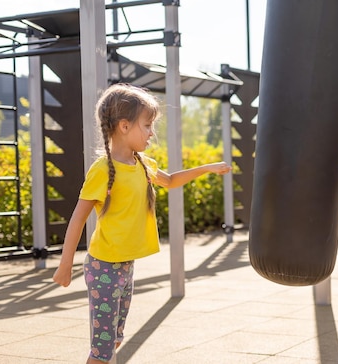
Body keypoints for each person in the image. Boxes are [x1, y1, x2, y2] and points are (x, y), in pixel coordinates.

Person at [52, 83, 232, 364]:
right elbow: (78, 219)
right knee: (101, 351)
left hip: (126, 266)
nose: (151, 133)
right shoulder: (102, 170)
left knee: (115, 339)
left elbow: (171, 181)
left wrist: (207, 168)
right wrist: (65, 266)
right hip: (104, 268)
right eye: (147, 126)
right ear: (124, 126)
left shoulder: (142, 164)